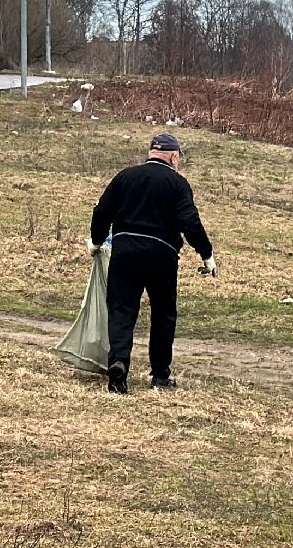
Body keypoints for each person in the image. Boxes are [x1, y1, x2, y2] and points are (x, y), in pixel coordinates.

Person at [89, 132, 216, 394]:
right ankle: (160, 376)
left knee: (122, 309)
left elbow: (102, 210)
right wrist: (206, 253)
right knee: (163, 314)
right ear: (172, 156)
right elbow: (190, 221)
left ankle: (119, 364)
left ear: (151, 153)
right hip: (163, 255)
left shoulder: (126, 176)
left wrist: (97, 241)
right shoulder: (178, 184)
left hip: (125, 250)